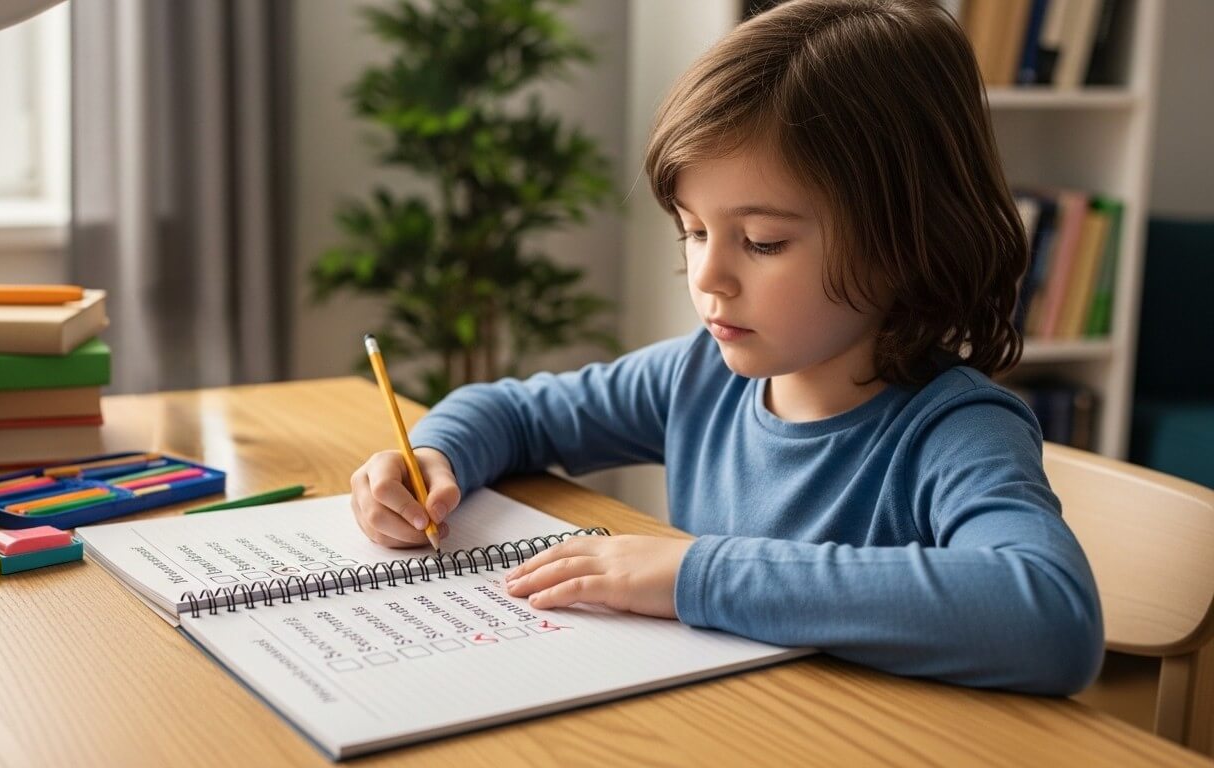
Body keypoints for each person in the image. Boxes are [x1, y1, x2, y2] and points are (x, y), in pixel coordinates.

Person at [348, 0, 1103, 696]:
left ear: (907, 240)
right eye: (695, 229)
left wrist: (694, 574)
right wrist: (434, 458)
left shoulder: (957, 431)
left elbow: (1049, 617)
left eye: (764, 241)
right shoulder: (699, 376)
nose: (707, 275)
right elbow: (513, 413)